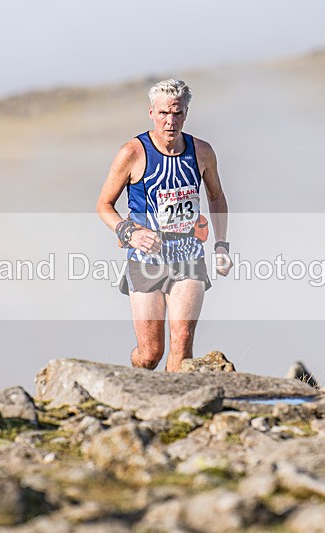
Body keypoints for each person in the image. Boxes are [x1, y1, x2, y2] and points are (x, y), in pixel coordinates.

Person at [96, 79, 231, 372]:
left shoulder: (202, 152)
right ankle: (134, 382)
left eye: (177, 113)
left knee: (181, 343)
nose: (170, 122)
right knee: (150, 354)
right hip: (145, 260)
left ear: (186, 113)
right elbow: (104, 205)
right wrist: (128, 233)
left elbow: (217, 197)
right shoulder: (132, 153)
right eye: (163, 114)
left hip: (188, 254)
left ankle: (176, 411)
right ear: (151, 113)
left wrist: (221, 245)